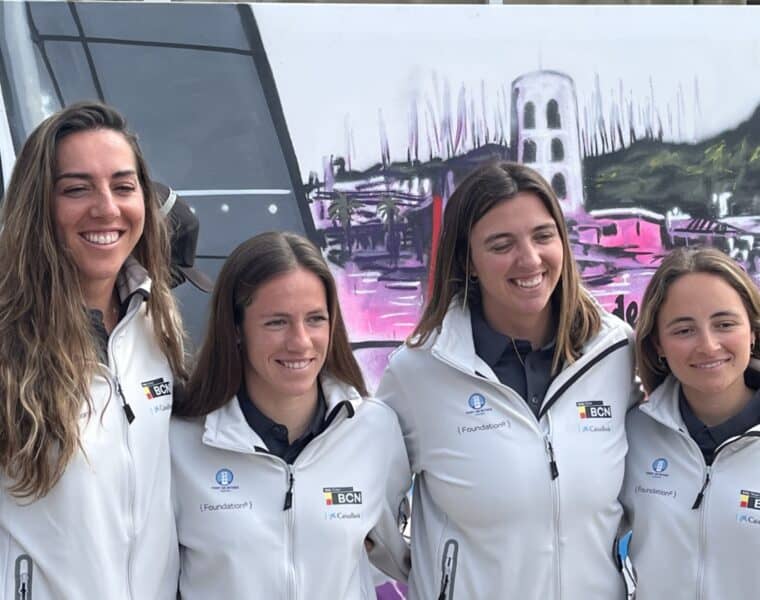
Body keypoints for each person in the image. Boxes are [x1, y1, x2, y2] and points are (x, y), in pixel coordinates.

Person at [376, 161, 638, 599]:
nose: (530, 259)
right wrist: (434, 576)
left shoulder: (615, 353)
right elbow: (370, 510)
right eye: (501, 244)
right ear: (469, 261)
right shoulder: (419, 372)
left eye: (543, 236)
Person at [0, 102, 186, 598]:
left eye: (123, 187)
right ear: (38, 204)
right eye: (77, 189)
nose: (107, 207)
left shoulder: (157, 325)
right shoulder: (7, 337)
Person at [171, 231, 411, 599]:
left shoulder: (373, 430)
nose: (300, 341)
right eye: (276, 322)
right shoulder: (180, 442)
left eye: (315, 319)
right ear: (236, 329)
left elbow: (406, 559)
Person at [622, 247, 760, 598]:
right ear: (658, 345)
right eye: (684, 330)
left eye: (725, 324)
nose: (708, 345)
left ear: (753, 331)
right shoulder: (631, 435)